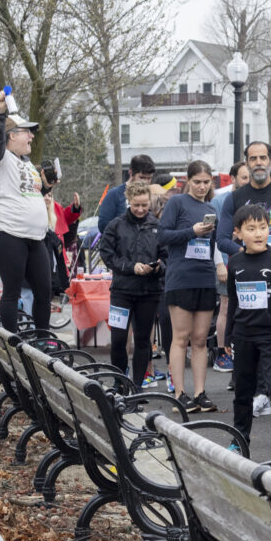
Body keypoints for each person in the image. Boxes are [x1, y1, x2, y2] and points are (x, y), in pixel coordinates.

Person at [224, 204, 271, 459]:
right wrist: (228, 336)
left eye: (263, 227)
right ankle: (239, 441)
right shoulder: (234, 262)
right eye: (251, 229)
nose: (258, 233)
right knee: (243, 391)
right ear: (237, 233)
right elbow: (233, 301)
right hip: (243, 336)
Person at [0, 90, 51, 332]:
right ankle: (12, 345)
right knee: (11, 291)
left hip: (35, 237)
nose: (32, 136)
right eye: (26, 132)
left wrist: (46, 188)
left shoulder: (26, 162)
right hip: (8, 232)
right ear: (11, 136)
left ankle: (43, 344)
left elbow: (27, 196)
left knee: (45, 291)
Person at [157, 160, 218, 412]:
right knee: (181, 337)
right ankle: (180, 393)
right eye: (197, 182)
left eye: (206, 182)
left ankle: (200, 392)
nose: (202, 186)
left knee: (201, 339)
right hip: (181, 278)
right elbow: (162, 236)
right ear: (187, 181)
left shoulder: (212, 208)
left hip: (205, 277)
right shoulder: (176, 203)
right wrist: (191, 231)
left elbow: (214, 245)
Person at [98, 182, 165, 388]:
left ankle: (137, 385)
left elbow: (167, 256)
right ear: (129, 201)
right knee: (118, 339)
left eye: (144, 205)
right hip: (122, 291)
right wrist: (130, 267)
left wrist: (158, 268)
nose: (140, 209)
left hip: (149, 291)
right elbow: (107, 255)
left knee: (144, 340)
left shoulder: (157, 226)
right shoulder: (116, 225)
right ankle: (119, 382)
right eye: (136, 205)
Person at [211, 161, 251, 375]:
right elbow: (217, 236)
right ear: (233, 178)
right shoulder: (221, 201)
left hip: (252, 264)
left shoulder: (254, 199)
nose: (247, 181)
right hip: (227, 263)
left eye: (249, 177)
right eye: (244, 177)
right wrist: (219, 264)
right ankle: (222, 353)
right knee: (226, 307)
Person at [98, 154, 156, 233]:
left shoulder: (153, 195)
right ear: (131, 173)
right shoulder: (114, 194)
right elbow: (103, 225)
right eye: (142, 177)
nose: (145, 182)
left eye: (149, 178)